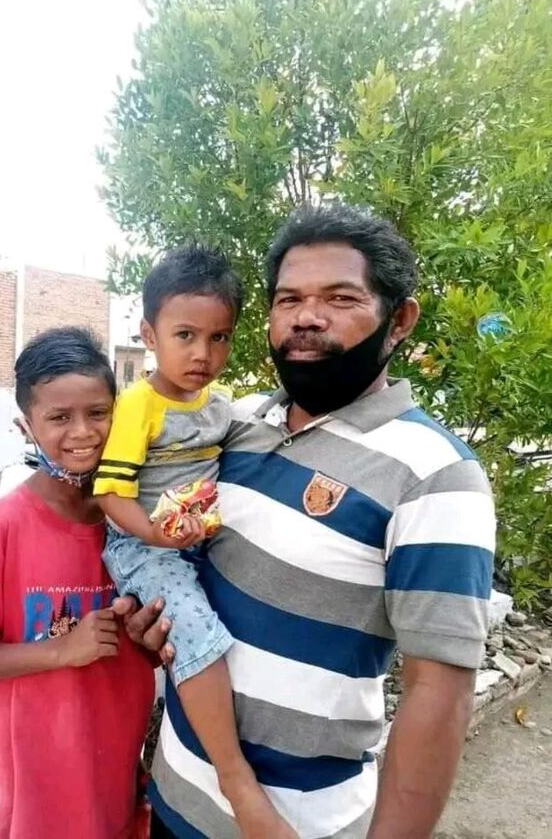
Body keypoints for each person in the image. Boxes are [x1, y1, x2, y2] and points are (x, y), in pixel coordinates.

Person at [123, 205, 496, 839]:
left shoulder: (435, 475)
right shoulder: (232, 428)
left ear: (400, 320)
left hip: (300, 822)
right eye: (288, 299)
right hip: (178, 793)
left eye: (340, 298)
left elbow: (438, 691)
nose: (306, 316)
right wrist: (151, 618)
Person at [94, 245, 295, 838]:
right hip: (144, 545)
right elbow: (110, 495)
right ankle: (235, 778)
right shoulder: (140, 405)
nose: (203, 354)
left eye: (219, 337)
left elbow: (260, 430)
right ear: (149, 335)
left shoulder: (218, 406)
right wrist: (155, 534)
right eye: (185, 335)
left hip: (195, 540)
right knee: (198, 634)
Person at [0, 327, 155, 839]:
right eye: (59, 417)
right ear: (26, 426)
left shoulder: (138, 524)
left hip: (113, 779)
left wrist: (147, 639)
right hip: (28, 795)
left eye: (97, 413)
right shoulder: (3, 526)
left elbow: (153, 643)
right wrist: (63, 650)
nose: (83, 432)